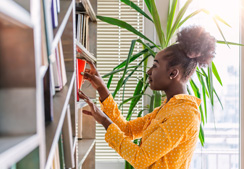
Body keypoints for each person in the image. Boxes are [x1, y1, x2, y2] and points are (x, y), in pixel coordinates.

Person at [78, 26, 216, 169]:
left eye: (155, 66)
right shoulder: (168, 108)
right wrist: (102, 89)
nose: (149, 71)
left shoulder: (185, 114)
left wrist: (105, 121)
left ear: (173, 73)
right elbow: (128, 130)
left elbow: (141, 158)